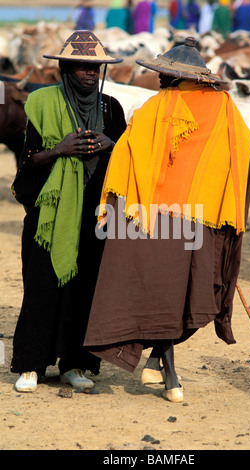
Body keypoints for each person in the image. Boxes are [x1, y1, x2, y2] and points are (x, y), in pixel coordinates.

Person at [83, 37, 250, 403]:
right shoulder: (225, 109)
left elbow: (126, 156)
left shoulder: (154, 109)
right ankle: (167, 370)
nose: (157, 82)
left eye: (160, 76)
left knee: (160, 294)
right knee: (194, 296)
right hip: (203, 219)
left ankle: (159, 362)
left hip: (152, 219)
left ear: (167, 77)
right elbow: (247, 160)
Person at [10, 31, 127, 392]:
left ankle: (74, 365)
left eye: (96, 67)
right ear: (65, 67)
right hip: (52, 211)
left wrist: (112, 145)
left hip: (93, 214)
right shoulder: (42, 102)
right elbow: (27, 159)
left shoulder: (111, 108)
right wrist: (59, 150)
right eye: (82, 66)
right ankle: (31, 365)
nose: (90, 73)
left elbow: (128, 159)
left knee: (84, 288)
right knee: (42, 285)